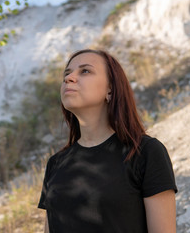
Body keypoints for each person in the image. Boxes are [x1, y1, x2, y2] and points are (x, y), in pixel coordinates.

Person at [37, 49, 178, 233]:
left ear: (110, 89)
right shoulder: (55, 164)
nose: (69, 78)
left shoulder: (145, 152)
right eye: (67, 73)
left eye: (85, 71)